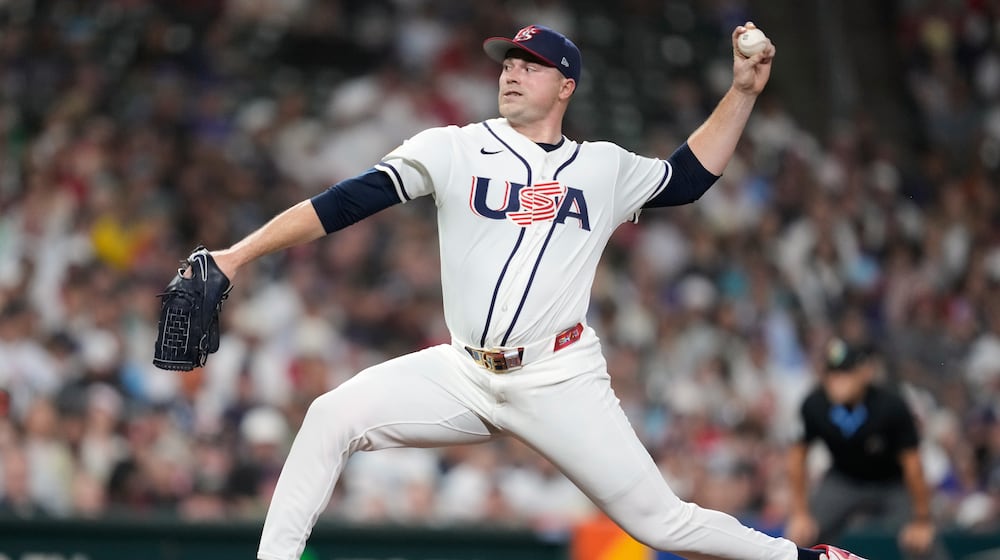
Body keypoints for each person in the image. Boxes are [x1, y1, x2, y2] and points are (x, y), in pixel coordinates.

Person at [199, 22, 865, 560]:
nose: (511, 73)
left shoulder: (602, 168)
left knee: (662, 524)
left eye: (530, 64)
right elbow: (344, 202)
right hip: (463, 371)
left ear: (565, 85)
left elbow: (687, 179)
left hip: (558, 376)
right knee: (329, 416)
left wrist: (743, 91)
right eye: (507, 63)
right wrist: (239, 253)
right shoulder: (452, 148)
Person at [785, 337, 945, 559]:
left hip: (892, 483)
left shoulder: (891, 405)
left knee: (921, 542)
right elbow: (797, 457)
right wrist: (800, 513)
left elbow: (913, 465)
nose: (838, 381)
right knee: (802, 536)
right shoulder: (814, 405)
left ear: (865, 372)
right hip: (844, 479)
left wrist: (921, 519)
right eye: (833, 374)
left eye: (846, 373)